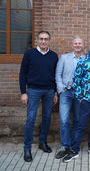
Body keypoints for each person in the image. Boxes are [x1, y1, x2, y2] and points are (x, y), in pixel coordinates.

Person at [19, 30, 58, 162]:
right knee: (31, 118)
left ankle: (42, 142)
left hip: (49, 91)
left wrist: (55, 92)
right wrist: (23, 92)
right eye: (41, 39)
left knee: (46, 118)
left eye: (46, 39)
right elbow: (22, 73)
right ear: (37, 40)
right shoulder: (29, 54)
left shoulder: (53, 56)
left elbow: (55, 76)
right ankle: (27, 147)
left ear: (49, 40)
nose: (43, 41)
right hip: (33, 90)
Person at [55, 36, 85, 159]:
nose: (77, 45)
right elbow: (58, 74)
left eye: (79, 43)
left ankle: (74, 145)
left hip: (79, 94)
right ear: (72, 45)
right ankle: (65, 146)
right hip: (66, 93)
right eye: (75, 43)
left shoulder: (85, 59)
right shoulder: (64, 58)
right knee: (64, 120)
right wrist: (61, 89)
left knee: (77, 120)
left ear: (82, 45)